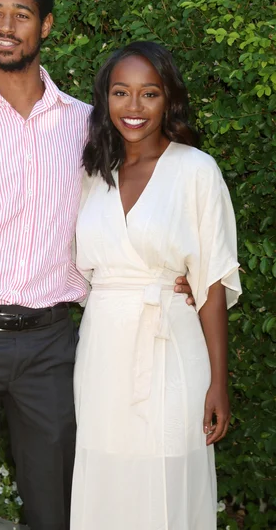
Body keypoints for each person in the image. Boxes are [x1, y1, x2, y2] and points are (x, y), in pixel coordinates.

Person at [0, 0, 193, 530]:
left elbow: (138, 206)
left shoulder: (90, 127)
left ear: (46, 25)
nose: (7, 26)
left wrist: (173, 273)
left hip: (54, 346)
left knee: (56, 508)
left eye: (22, 14)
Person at [71, 41, 242, 530]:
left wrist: (218, 381)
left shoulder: (196, 171)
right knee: (106, 470)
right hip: (103, 348)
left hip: (171, 347)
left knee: (168, 471)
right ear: (106, 98)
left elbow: (209, 284)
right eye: (122, 92)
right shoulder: (93, 173)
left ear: (168, 100)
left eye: (149, 94)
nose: (134, 107)